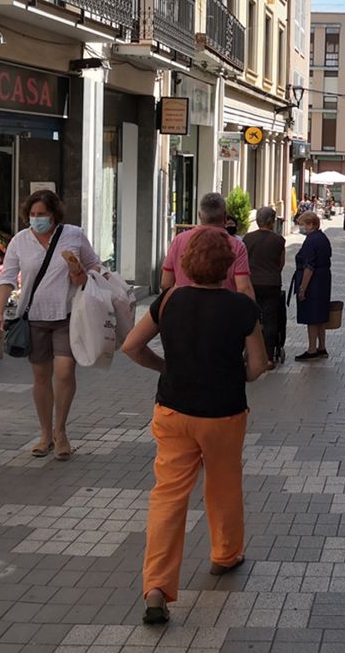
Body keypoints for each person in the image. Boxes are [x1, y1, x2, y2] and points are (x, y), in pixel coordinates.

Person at [122, 229, 269, 625]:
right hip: (223, 412)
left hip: (173, 410)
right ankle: (224, 554)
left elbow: (131, 347)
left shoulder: (168, 301)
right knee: (223, 483)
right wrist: (237, 373)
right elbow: (257, 367)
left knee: (168, 496)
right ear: (227, 267)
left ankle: (156, 587)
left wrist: (165, 366)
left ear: (186, 263)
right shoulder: (242, 309)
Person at [0, 190, 101, 461]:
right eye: (32, 214)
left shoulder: (73, 235)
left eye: (42, 214)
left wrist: (82, 274)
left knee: (64, 372)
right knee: (41, 377)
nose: (37, 219)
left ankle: (60, 431)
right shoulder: (20, 241)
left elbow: (96, 265)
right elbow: (6, 278)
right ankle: (44, 433)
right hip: (34, 317)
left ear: (54, 214)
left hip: (67, 315)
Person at [160, 193, 253, 299]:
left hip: (184, 309)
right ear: (225, 216)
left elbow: (166, 283)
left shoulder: (179, 240)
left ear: (200, 215)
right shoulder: (237, 246)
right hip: (223, 310)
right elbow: (244, 289)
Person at [243, 207, 287, 367]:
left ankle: (249, 353)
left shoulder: (247, 238)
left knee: (251, 318)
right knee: (270, 320)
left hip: (251, 283)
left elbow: (243, 262)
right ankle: (268, 357)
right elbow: (281, 263)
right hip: (271, 283)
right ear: (272, 221)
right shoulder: (278, 240)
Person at [293, 211, 332, 361]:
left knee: (311, 315)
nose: (301, 228)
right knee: (321, 315)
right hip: (324, 279)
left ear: (311, 224)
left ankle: (311, 349)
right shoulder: (323, 238)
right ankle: (322, 346)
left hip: (314, 281)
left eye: (303, 225)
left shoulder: (311, 240)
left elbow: (309, 266)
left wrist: (302, 288)